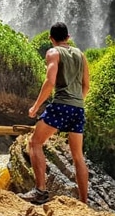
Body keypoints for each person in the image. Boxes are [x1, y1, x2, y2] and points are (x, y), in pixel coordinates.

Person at [19, 22, 90, 204]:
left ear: (51, 39)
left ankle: (40, 191)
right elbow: (86, 85)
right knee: (78, 156)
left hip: (60, 105)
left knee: (35, 142)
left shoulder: (53, 53)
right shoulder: (81, 55)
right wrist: (76, 102)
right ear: (68, 37)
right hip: (78, 108)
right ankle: (84, 202)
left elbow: (50, 82)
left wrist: (35, 107)